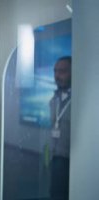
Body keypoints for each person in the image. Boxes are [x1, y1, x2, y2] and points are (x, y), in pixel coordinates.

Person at [49, 56, 71, 200]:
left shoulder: (80, 100)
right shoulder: (53, 100)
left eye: (62, 71)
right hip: (55, 157)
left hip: (72, 160)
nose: (57, 76)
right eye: (55, 71)